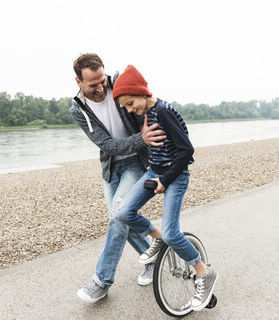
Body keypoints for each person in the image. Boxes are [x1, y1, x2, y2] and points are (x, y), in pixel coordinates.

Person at [112, 65, 218, 312]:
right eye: (126, 107)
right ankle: (157, 239)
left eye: (130, 103)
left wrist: (166, 180)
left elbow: (186, 151)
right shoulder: (148, 112)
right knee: (123, 212)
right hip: (154, 173)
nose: (130, 109)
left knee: (173, 234)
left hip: (175, 176)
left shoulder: (164, 111)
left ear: (141, 92)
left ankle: (204, 272)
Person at [70, 53, 166, 303]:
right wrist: (140, 138)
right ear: (79, 82)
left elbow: (146, 105)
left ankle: (102, 281)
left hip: (136, 161)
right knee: (119, 217)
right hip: (111, 168)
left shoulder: (120, 86)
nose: (101, 87)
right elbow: (107, 145)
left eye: (102, 80)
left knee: (118, 216)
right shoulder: (77, 109)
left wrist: (157, 155)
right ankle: (152, 256)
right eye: (93, 84)